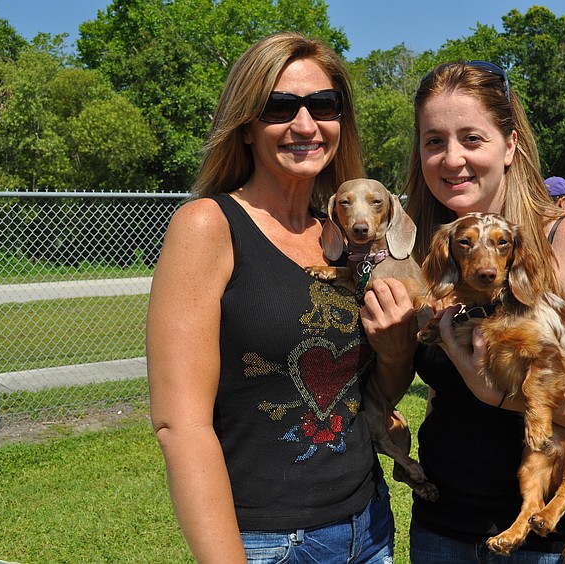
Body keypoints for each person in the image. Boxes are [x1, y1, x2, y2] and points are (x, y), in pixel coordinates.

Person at [145, 32, 416, 563]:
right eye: (279, 107)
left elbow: (374, 391)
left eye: (324, 105)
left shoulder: (339, 241)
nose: (306, 125)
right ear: (246, 126)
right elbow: (180, 426)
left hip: (369, 526)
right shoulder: (208, 225)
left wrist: (396, 350)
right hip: (271, 543)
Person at [403, 60, 565, 564]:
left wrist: (496, 394)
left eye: (472, 138)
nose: (452, 158)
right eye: (434, 141)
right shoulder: (440, 250)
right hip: (443, 526)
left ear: (510, 145)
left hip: (546, 544)